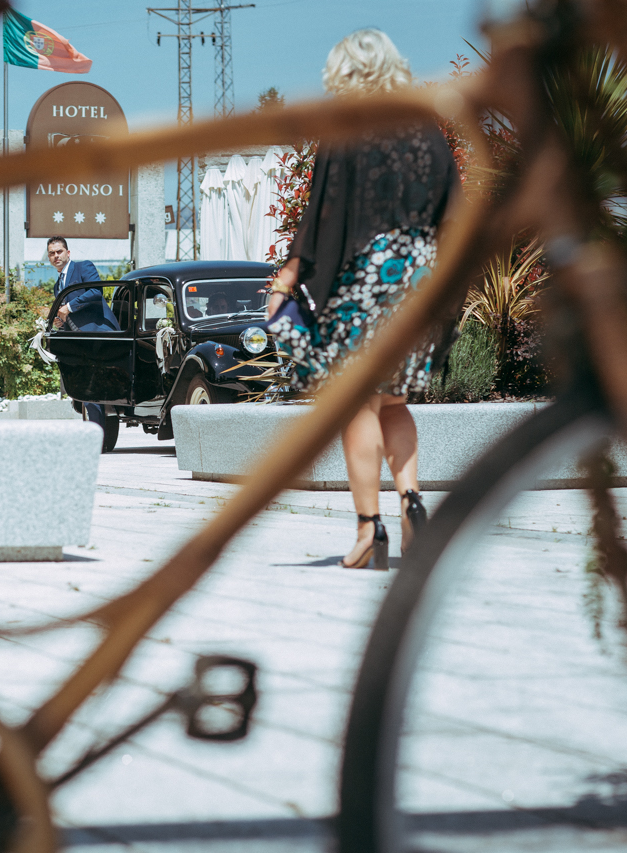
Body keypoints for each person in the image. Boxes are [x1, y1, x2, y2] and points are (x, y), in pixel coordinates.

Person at [265, 28, 459, 570]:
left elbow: (321, 214)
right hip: (419, 276)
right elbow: (453, 207)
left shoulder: (346, 125)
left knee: (358, 400)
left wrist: (287, 278)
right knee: (394, 400)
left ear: (345, 72)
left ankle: (368, 527)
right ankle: (412, 502)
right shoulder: (425, 127)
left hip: (364, 277)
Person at [48, 236, 119, 435]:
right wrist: (61, 321)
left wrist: (69, 307)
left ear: (68, 253)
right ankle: (97, 437)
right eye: (52, 253)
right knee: (87, 390)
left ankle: (97, 438)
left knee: (91, 388)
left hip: (98, 336)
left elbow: (96, 291)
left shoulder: (83, 267)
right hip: (80, 343)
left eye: (59, 251)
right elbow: (68, 314)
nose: (56, 256)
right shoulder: (57, 285)